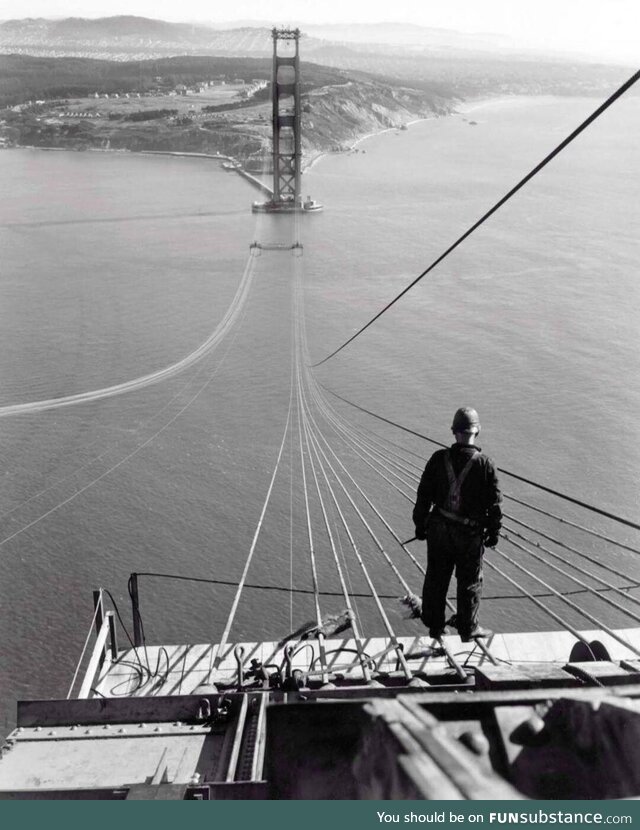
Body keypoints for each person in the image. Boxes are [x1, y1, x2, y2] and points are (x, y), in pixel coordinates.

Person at [412, 407, 502, 642]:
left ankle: (435, 627)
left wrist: (420, 525)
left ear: (453, 432)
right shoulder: (485, 464)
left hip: (439, 530)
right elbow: (494, 506)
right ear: (477, 431)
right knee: (470, 582)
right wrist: (493, 533)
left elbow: (423, 495)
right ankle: (468, 629)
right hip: (469, 535)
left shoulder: (437, 459)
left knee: (436, 578)